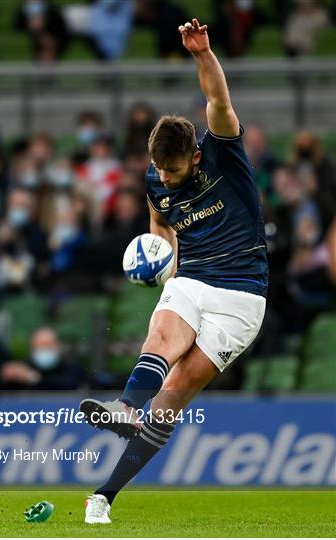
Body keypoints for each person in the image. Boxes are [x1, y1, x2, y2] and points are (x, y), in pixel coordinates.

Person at [80, 18, 268, 524]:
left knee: (175, 394)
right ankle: (124, 408)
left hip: (243, 295)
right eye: (159, 169)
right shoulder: (155, 180)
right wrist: (158, 259)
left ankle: (106, 492)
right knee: (161, 335)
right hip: (193, 277)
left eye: (174, 169)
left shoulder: (223, 151)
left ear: (195, 154)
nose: (165, 177)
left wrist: (203, 54)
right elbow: (161, 227)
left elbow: (218, 102)